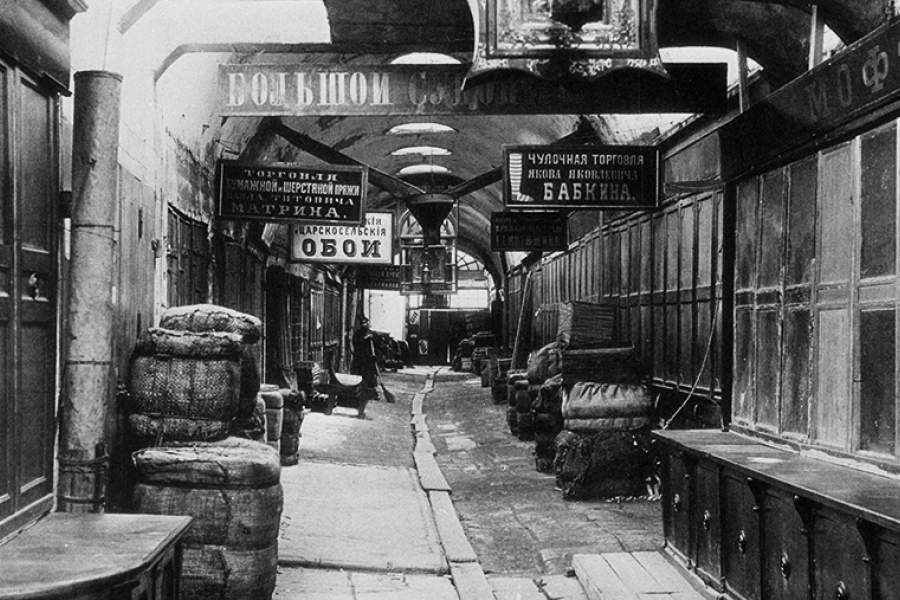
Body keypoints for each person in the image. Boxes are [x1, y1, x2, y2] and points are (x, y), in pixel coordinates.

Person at [351, 316, 378, 388]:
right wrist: (365, 338)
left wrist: (373, 338)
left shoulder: (371, 333)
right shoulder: (358, 333)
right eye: (363, 323)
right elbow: (356, 342)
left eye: (366, 323)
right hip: (360, 357)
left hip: (369, 357)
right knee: (359, 372)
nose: (364, 325)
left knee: (370, 372)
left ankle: (370, 387)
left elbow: (377, 343)